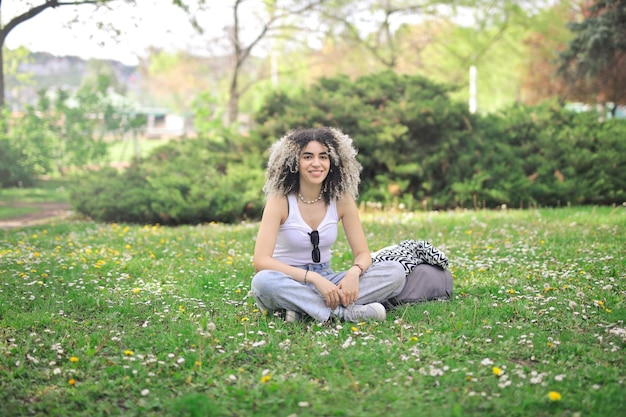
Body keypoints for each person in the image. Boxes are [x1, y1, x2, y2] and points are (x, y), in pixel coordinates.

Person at [251, 127, 406, 323]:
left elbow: (363, 254)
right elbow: (261, 261)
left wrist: (353, 273)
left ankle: (303, 309)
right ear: (294, 162)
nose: (316, 163)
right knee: (263, 282)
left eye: (323, 157)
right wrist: (313, 278)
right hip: (288, 279)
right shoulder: (279, 201)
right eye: (307, 157)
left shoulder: (342, 199)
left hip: (329, 280)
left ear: (332, 161)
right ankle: (344, 314)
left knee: (396, 272)